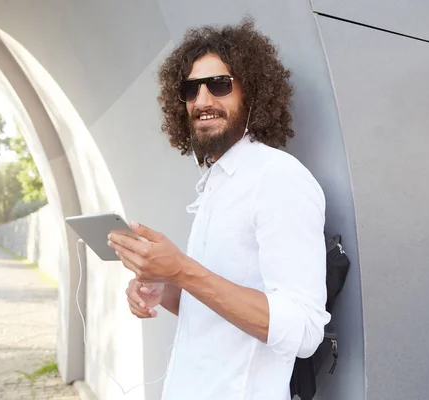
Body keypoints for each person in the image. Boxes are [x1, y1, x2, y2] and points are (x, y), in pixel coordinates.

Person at [107, 18, 330, 400]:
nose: (203, 100)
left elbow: (305, 331)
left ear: (254, 93)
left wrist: (181, 269)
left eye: (220, 85)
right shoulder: (219, 182)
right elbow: (215, 304)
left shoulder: (278, 178)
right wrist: (164, 287)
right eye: (191, 89)